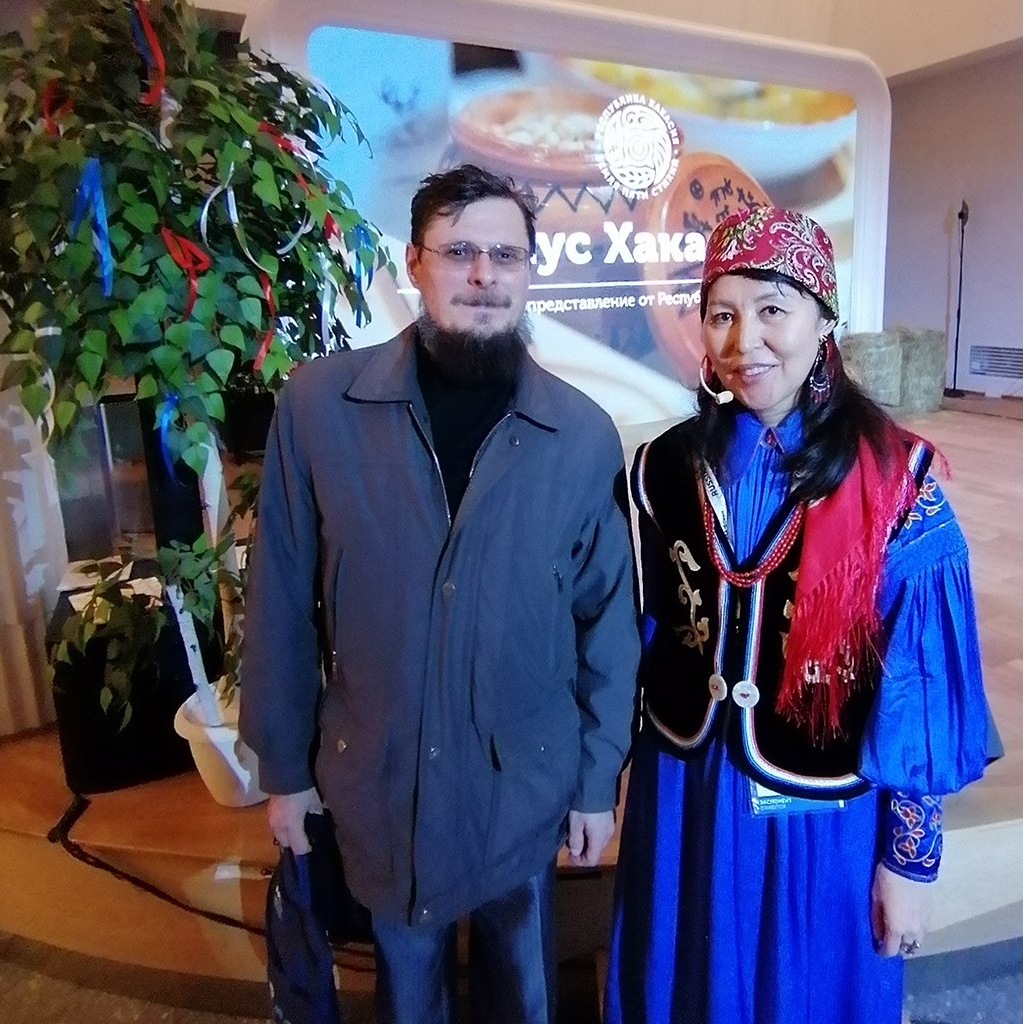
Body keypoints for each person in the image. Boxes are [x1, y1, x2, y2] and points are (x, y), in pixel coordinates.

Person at [239, 163, 640, 1024]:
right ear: (415, 264)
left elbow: (608, 625)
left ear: (530, 270)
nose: (484, 274)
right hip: (381, 785)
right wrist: (284, 769)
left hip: (522, 788)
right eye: (459, 252)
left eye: (505, 254)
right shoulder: (320, 408)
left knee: (522, 997)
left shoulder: (580, 435)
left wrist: (595, 781)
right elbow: (279, 599)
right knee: (406, 999)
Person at [604, 205, 989, 1024]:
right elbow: (645, 639)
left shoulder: (896, 483)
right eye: (722, 315)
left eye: (772, 309)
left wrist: (910, 862)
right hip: (686, 795)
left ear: (824, 320)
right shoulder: (663, 468)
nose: (745, 341)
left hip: (822, 819)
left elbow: (918, 697)